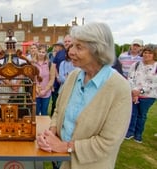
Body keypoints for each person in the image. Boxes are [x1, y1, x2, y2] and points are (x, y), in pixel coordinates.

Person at [37, 22, 132, 169]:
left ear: (98, 51)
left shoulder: (120, 88)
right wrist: (51, 133)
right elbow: (58, 110)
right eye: (72, 46)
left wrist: (66, 147)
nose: (70, 52)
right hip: (59, 159)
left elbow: (108, 142)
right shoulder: (74, 76)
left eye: (79, 47)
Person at [125, 44, 157, 143]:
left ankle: (138, 134)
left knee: (141, 115)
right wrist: (134, 92)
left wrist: (140, 92)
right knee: (132, 114)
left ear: (154, 55)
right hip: (133, 93)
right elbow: (130, 78)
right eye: (145, 52)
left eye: (150, 53)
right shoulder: (136, 65)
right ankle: (130, 132)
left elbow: (154, 84)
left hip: (148, 96)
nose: (146, 55)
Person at [50, 35, 72, 117]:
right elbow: (54, 66)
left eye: (69, 41)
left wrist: (69, 78)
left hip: (71, 85)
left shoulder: (75, 53)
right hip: (58, 82)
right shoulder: (60, 53)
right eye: (65, 41)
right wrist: (57, 76)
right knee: (56, 102)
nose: (67, 43)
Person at [34, 44, 55, 115]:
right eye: (39, 51)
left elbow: (52, 79)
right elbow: (31, 78)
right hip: (36, 92)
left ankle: (43, 126)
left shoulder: (50, 64)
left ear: (46, 53)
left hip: (46, 93)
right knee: (36, 112)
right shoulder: (32, 64)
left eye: (43, 52)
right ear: (37, 52)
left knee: (44, 112)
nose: (41, 54)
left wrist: (45, 90)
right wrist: (36, 89)